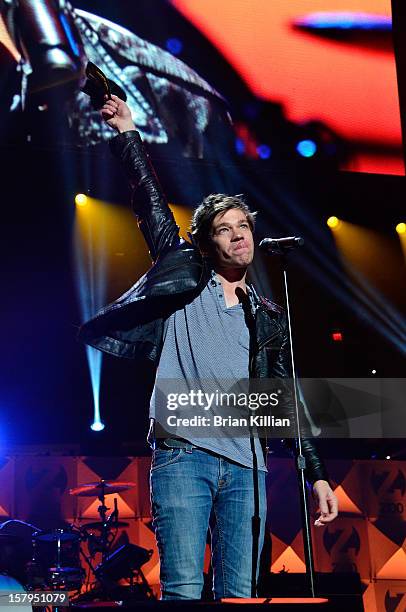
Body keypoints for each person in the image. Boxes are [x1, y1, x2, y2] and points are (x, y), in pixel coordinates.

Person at [79, 94, 338, 600]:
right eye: (225, 229)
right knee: (182, 590)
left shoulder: (265, 314)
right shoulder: (185, 277)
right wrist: (127, 129)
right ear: (206, 243)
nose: (239, 236)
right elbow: (150, 201)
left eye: (244, 226)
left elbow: (287, 400)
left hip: (249, 467)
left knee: (239, 593)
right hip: (184, 456)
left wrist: (318, 476)